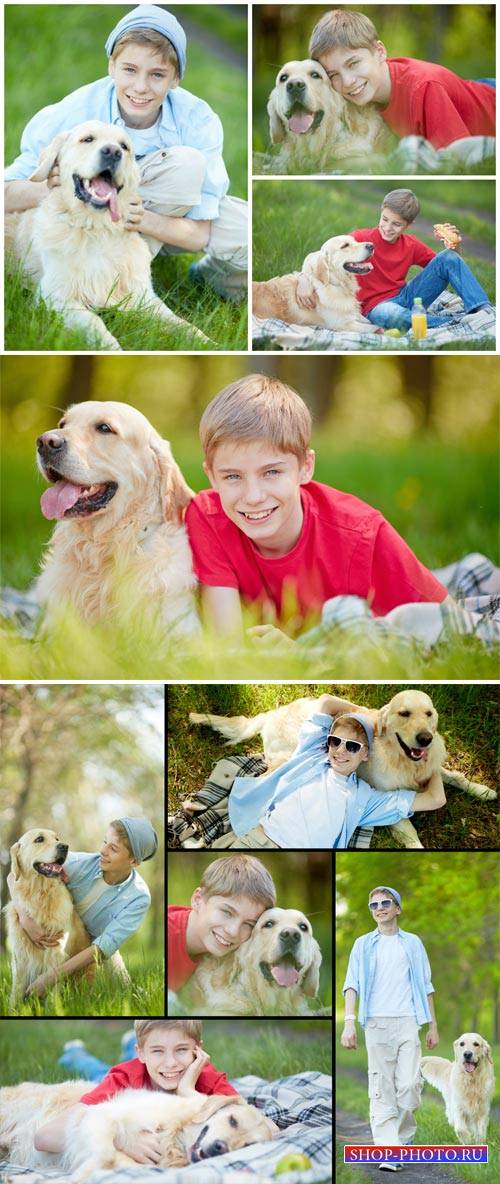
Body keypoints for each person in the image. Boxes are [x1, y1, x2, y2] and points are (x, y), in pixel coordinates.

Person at [4, 5, 247, 300]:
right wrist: (66, 187)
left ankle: (207, 276)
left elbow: (198, 233)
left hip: (159, 219)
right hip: (87, 217)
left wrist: (141, 217)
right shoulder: (75, 111)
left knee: (246, 231)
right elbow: (7, 194)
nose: (140, 87)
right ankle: (110, 281)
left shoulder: (198, 120)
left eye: (157, 74)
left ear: (175, 80)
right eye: (129, 70)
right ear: (111, 67)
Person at [185, 373, 450, 641]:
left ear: (305, 468)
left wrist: (298, 655)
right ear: (212, 476)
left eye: (272, 472)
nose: (253, 496)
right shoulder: (207, 517)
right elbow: (227, 644)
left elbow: (452, 622)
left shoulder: (362, 534)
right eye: (232, 476)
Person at [215, 698, 445, 850]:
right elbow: (326, 702)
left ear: (366, 754)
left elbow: (436, 799)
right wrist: (368, 714)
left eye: (352, 746)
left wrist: (429, 758)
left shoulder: (365, 797)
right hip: (255, 839)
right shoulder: (312, 754)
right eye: (335, 741)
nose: (341, 750)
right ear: (328, 743)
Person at [34, 1019, 237, 1164]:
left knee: (157, 1067)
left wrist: (187, 1091)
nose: (171, 1063)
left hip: (146, 1065)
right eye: (157, 1050)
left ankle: (132, 1044)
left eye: (182, 1050)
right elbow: (44, 1137)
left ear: (198, 1050)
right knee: (99, 1072)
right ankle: (75, 1054)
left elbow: (256, 1122)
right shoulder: (123, 1079)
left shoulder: (205, 1076)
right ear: (142, 1053)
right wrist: (120, 1139)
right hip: (129, 1074)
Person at [296, 188, 492, 331]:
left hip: (407, 296)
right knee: (389, 315)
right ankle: (452, 323)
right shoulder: (360, 238)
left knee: (449, 258)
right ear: (381, 212)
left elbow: (443, 267)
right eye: (385, 219)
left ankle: (482, 309)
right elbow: (322, 255)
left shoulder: (411, 244)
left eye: (396, 224)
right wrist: (304, 278)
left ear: (408, 225)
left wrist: (454, 247)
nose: (388, 228)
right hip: (376, 307)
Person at [341, 886, 439, 1169]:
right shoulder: (362, 944)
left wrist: (433, 1025)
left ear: (398, 908)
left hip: (408, 1020)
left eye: (386, 903)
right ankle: (389, 1150)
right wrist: (349, 1023)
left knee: (409, 1086)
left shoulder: (413, 943)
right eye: (374, 905)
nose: (380, 908)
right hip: (376, 1022)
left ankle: (402, 1137)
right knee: (381, 1087)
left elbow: (427, 985)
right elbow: (351, 985)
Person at [7, 817, 158, 997]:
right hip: (66, 934)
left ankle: (138, 991)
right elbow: (15, 875)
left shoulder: (139, 897)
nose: (102, 850)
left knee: (127, 992)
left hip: (98, 948)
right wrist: (24, 917)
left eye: (113, 848)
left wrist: (52, 976)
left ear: (133, 861)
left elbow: (103, 947)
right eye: (104, 842)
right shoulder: (76, 863)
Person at [309, 9, 495, 151]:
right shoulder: (353, 95)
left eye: (353, 63)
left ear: (380, 52)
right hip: (474, 88)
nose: (347, 81)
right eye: (333, 74)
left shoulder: (424, 88)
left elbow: (457, 161)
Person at [168, 854, 276, 991]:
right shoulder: (167, 936)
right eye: (227, 912)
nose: (233, 931)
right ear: (197, 900)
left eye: (249, 924)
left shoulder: (237, 953)